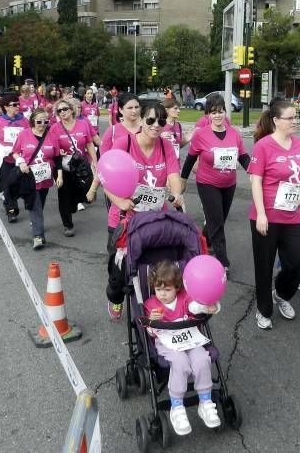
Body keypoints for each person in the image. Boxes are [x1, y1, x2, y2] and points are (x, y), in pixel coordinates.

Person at [104, 102, 184, 320]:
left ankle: (153, 306)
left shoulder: (165, 146)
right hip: (124, 218)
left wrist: (176, 193)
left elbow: (174, 176)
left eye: (161, 121)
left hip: (154, 218)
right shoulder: (125, 143)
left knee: (155, 266)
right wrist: (119, 201)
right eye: (150, 120)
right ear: (141, 120)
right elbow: (106, 177)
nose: (156, 125)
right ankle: (115, 298)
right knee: (118, 271)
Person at [249, 99, 300, 330]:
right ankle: (264, 310)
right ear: (275, 120)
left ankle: (281, 294)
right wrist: (261, 214)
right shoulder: (263, 146)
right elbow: (256, 181)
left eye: (296, 117)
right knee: (264, 267)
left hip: (293, 215)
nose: (295, 121)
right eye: (290, 118)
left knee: (298, 261)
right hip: (267, 217)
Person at [144, 260, 221, 435]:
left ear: (177, 287)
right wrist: (152, 323)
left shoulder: (185, 298)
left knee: (202, 359)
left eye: (167, 289)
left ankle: (205, 401)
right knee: (180, 363)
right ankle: (177, 406)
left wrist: (207, 306)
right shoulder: (152, 305)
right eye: (158, 289)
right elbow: (151, 333)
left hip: (190, 339)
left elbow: (195, 306)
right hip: (167, 343)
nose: (162, 294)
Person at [180, 93, 250, 270]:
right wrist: (182, 180)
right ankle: (222, 261)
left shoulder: (234, 134)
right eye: (213, 112)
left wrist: (255, 173)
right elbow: (190, 159)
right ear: (208, 115)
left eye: (220, 111)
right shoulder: (201, 134)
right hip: (207, 183)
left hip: (229, 184)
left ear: (225, 112)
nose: (217, 115)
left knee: (218, 220)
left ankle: (202, 240)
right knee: (217, 221)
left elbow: (243, 157)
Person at [47, 98, 97, 237]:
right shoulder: (55, 128)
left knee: (80, 191)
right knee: (64, 195)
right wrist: (58, 151)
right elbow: (50, 147)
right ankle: (68, 225)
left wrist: (95, 161)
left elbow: (89, 144)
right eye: (59, 111)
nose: (62, 112)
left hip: (79, 165)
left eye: (65, 109)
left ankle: (74, 204)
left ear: (71, 110)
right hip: (62, 167)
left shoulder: (83, 124)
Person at [11, 107, 59, 250]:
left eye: (46, 121)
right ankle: (38, 236)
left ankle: (35, 219)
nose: (42, 124)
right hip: (30, 175)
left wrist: (59, 175)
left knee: (40, 202)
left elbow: (57, 157)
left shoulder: (52, 136)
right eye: (39, 121)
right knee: (35, 203)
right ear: (32, 121)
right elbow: (15, 152)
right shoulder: (24, 134)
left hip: (45, 177)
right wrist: (21, 162)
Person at [0, 94, 30, 222]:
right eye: (14, 105)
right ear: (6, 107)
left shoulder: (24, 120)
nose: (17, 107)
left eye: (18, 104)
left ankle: (18, 199)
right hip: (5, 159)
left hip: (21, 158)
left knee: (21, 183)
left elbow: (30, 137)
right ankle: (11, 210)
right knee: (7, 183)